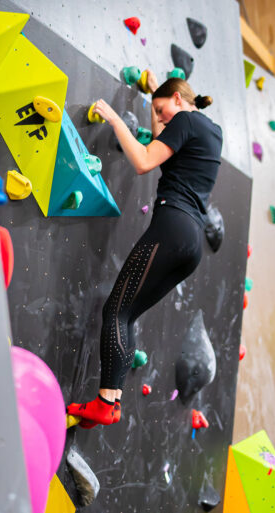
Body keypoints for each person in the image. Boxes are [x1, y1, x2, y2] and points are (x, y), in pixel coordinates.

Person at [66, 70, 223, 428]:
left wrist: (114, 117)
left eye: (164, 110)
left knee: (116, 312)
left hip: (171, 229)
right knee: (127, 314)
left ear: (180, 101)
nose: (163, 117)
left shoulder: (184, 119)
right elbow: (161, 143)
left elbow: (143, 161)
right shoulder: (210, 132)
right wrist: (156, 97)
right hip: (190, 245)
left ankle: (106, 403)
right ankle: (113, 401)